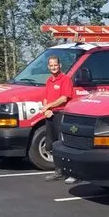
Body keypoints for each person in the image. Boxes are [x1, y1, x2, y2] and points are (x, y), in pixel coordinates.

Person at [41, 55, 77, 183]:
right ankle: (59, 171)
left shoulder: (65, 79)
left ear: (60, 65)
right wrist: (46, 110)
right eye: (51, 65)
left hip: (61, 114)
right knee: (51, 144)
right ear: (48, 67)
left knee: (63, 143)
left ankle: (73, 172)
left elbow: (64, 98)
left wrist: (49, 106)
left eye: (55, 65)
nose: (53, 67)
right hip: (50, 115)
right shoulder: (49, 81)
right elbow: (45, 98)